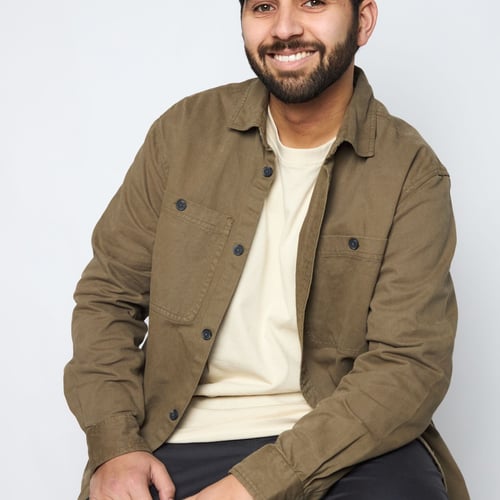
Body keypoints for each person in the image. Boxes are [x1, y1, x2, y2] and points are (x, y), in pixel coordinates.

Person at [64, 1, 470, 499]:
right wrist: (116, 446)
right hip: (176, 441)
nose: (285, 28)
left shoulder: (411, 172)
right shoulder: (184, 134)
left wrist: (250, 488)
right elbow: (108, 297)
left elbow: (408, 365)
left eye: (313, 2)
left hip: (343, 443)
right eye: (263, 7)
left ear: (363, 21)